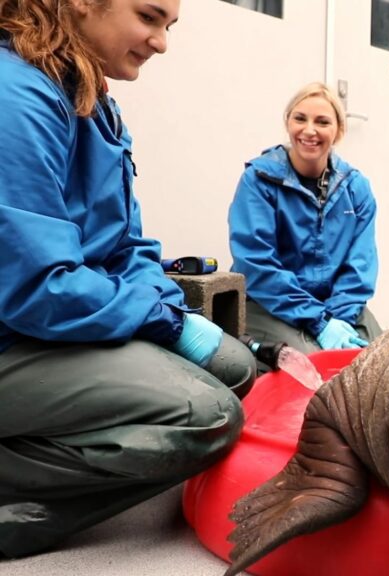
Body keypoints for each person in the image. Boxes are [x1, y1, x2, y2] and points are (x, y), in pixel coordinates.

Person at [0, 0, 255, 558]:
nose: (161, 42)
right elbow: (37, 288)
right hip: (19, 329)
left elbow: (125, 246)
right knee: (208, 416)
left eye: (169, 25)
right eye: (148, 16)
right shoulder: (14, 98)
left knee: (234, 368)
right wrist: (162, 322)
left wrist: (171, 307)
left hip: (50, 322)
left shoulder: (92, 99)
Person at [229, 82, 382, 362]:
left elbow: (360, 267)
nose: (309, 130)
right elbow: (256, 265)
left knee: (383, 363)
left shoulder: (357, 188)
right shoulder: (258, 180)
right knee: (314, 367)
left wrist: (338, 319)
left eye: (322, 121)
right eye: (300, 118)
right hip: (270, 304)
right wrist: (319, 322)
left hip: (338, 307)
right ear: (288, 123)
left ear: (339, 131)